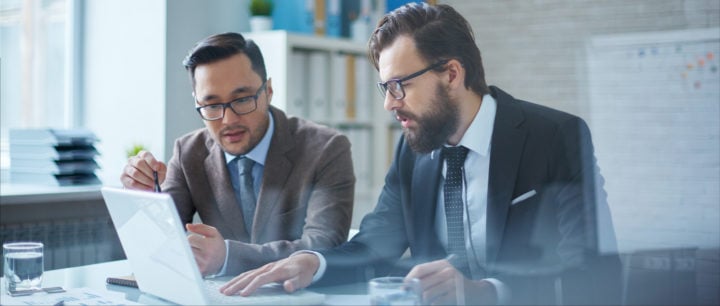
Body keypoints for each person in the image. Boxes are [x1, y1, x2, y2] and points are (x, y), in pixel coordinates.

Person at [218, 3, 622, 305]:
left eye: (400, 86)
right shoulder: (415, 150)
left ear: (451, 74)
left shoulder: (555, 137)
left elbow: (593, 272)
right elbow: (375, 245)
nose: (389, 106)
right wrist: (313, 264)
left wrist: (486, 292)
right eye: (385, 88)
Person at [120, 32, 355, 277]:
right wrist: (144, 199)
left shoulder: (327, 149)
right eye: (212, 105)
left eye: (242, 99)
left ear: (269, 91)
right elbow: (160, 246)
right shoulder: (188, 152)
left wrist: (229, 257)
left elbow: (324, 246)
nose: (228, 120)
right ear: (198, 103)